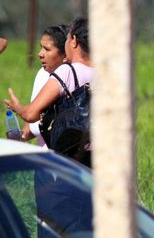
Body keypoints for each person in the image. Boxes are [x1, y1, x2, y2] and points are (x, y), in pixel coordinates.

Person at [4, 17, 93, 162]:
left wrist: (18, 108)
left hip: (63, 160)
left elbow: (31, 114)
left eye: (67, 40)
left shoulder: (67, 72)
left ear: (74, 41)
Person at [16, 25, 68, 147]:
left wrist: (19, 108)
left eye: (47, 49)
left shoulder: (71, 78)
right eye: (41, 48)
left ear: (65, 54)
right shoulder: (42, 74)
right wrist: (18, 139)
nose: (40, 54)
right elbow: (33, 121)